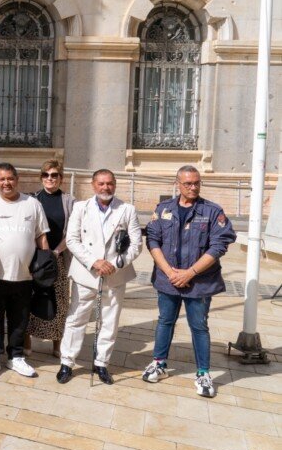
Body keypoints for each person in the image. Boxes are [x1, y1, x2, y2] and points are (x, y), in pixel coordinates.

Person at [142, 165, 236, 398]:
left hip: (199, 282)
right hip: (168, 280)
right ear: (178, 184)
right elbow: (153, 240)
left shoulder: (212, 211)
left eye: (196, 183)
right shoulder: (163, 209)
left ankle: (203, 373)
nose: (193, 187)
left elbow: (219, 246)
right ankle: (159, 363)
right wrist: (170, 272)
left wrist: (189, 273)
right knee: (165, 321)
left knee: (199, 327)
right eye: (188, 183)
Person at [57, 169, 142, 385]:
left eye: (110, 184)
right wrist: (94, 262)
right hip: (86, 273)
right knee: (76, 318)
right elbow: (73, 240)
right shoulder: (80, 207)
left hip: (115, 274)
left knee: (110, 321)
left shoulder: (127, 209)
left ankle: (101, 363)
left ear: (115, 185)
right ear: (94, 185)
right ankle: (67, 362)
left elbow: (136, 244)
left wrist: (113, 264)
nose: (106, 188)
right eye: (101, 184)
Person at [0, 163, 49, 379]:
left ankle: (16, 357)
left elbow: (41, 236)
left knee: (20, 319)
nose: (6, 183)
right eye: (2, 179)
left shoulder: (32, 204)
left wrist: (44, 265)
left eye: (10, 178)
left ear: (17, 180)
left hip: (25, 275)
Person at [27, 160, 76, 357]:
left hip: (59, 257)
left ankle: (57, 344)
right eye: (46, 175)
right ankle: (26, 342)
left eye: (54, 175)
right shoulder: (33, 199)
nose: (50, 179)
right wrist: (42, 253)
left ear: (61, 179)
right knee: (30, 298)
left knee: (60, 300)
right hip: (35, 258)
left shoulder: (69, 201)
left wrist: (55, 252)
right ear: (41, 178)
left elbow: (73, 231)